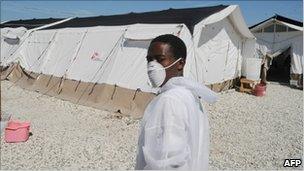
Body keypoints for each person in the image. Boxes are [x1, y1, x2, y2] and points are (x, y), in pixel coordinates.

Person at [135, 34, 218, 170]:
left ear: (180, 63)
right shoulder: (190, 94)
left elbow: (167, 162)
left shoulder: (169, 100)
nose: (152, 66)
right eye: (149, 60)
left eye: (160, 59)